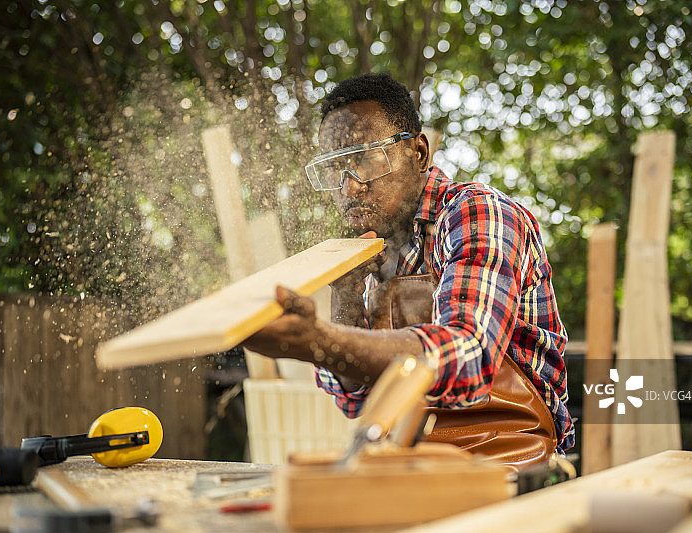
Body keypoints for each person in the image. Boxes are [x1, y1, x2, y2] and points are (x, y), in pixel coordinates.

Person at [244, 73, 574, 459]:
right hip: (411, 463)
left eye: (365, 159)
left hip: (509, 462)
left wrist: (317, 341)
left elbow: (470, 356)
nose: (349, 187)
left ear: (419, 153)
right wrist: (346, 296)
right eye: (335, 168)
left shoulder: (477, 213)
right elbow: (357, 399)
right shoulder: (377, 248)